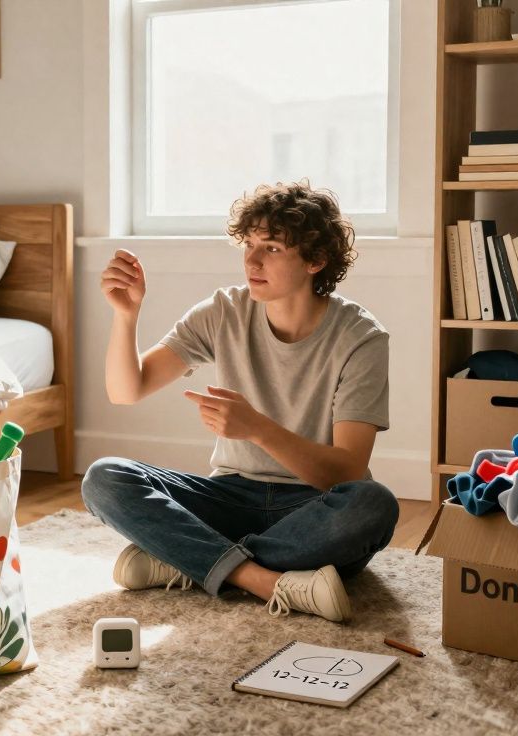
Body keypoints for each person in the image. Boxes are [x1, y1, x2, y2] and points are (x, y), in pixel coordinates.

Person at [81, 181, 398, 623]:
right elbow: (126, 389)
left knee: (373, 505)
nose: (251, 260)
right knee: (105, 478)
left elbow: (346, 471)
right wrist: (126, 314)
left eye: (271, 248)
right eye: (248, 244)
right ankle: (261, 579)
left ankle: (191, 560)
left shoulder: (361, 338)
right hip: (229, 497)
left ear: (315, 260)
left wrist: (257, 428)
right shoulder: (223, 311)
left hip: (312, 507)